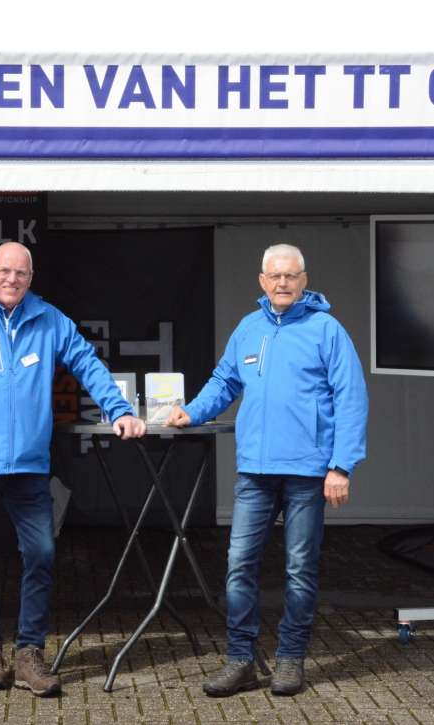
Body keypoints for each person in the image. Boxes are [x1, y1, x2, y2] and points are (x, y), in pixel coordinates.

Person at [0, 241, 146, 697]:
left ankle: (29, 654)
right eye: (4, 271)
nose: (11, 280)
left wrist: (118, 409)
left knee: (40, 554)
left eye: (20, 273)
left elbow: (86, 362)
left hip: (27, 466)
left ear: (30, 278)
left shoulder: (49, 320)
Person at [166, 243, 368, 698]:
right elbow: (224, 381)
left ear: (304, 280)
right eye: (274, 276)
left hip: (308, 473)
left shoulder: (327, 330)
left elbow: (351, 398)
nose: (282, 283)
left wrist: (341, 465)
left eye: (290, 276)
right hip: (255, 472)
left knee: (300, 568)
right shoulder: (248, 328)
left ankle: (290, 659)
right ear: (262, 281)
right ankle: (240, 661)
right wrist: (192, 412)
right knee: (239, 565)